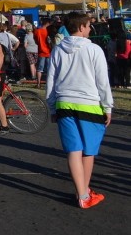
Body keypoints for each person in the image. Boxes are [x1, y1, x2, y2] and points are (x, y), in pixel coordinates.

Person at [46, 12, 113, 209]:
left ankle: (82, 191)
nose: (90, 29)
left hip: (64, 103)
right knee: (88, 151)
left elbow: (51, 80)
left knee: (73, 150)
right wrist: (107, 106)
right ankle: (83, 193)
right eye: (89, 25)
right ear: (82, 27)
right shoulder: (94, 50)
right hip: (89, 104)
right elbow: (103, 81)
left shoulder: (58, 50)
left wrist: (51, 106)